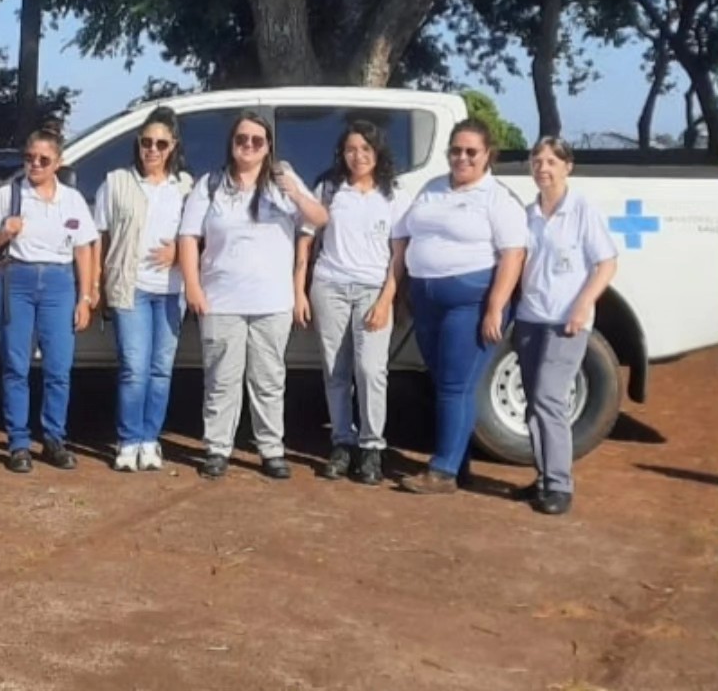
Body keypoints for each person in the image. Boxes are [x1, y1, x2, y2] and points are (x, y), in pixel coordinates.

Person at [178, 111, 328, 481]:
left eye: (256, 141)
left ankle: (271, 449)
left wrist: (292, 190)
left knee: (268, 379)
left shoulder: (283, 181)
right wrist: (193, 286)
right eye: (241, 139)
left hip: (272, 301)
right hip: (220, 300)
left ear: (268, 147)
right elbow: (187, 238)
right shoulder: (210, 184)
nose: (248, 146)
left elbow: (320, 217)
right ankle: (217, 448)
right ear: (231, 143)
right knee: (221, 379)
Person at [391, 118, 526, 495]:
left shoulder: (496, 198)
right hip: (427, 300)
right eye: (456, 150)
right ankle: (458, 461)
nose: (462, 158)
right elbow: (404, 232)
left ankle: (443, 471)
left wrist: (495, 307)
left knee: (455, 385)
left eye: (471, 152)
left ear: (487, 156)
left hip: (470, 303)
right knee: (446, 382)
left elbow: (513, 255)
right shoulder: (433, 188)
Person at [294, 120, 412, 485]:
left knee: (371, 370)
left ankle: (372, 447)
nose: (358, 156)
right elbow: (305, 240)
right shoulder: (329, 188)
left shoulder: (392, 194)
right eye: (351, 149)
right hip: (329, 287)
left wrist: (386, 299)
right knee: (335, 370)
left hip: (371, 291)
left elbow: (399, 254)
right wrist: (299, 289)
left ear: (377, 152)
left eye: (365, 148)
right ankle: (342, 443)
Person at [0, 125, 98, 474]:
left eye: (44, 159)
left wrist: (85, 296)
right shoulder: (10, 194)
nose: (35, 164)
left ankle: (55, 438)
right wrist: (2, 233)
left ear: (58, 162)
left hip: (60, 282)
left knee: (59, 367)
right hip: (17, 279)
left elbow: (84, 249)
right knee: (16, 365)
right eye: (29, 158)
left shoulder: (71, 199)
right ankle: (18, 442)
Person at [513, 137, 618, 515]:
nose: (543, 168)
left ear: (567, 167)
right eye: (537, 161)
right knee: (533, 403)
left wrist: (583, 305)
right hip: (530, 318)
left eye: (551, 162)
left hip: (567, 321)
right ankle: (542, 478)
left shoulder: (582, 209)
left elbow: (606, 263)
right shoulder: (528, 213)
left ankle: (560, 485)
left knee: (549, 398)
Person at [92, 107, 192, 472]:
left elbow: (201, 238)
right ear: (138, 144)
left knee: (161, 368)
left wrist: (179, 252)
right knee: (134, 368)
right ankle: (128, 439)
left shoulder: (185, 187)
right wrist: (96, 286)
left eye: (161, 144)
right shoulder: (116, 182)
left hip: (171, 291)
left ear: (172, 147)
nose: (153, 149)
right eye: (146, 142)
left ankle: (151, 440)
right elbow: (98, 236)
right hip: (130, 287)